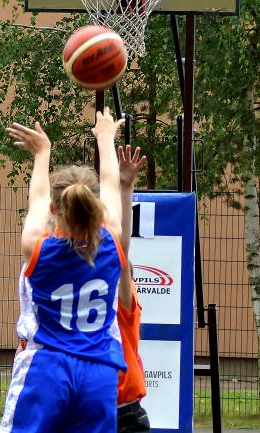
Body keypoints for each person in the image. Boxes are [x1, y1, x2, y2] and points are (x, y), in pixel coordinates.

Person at [0, 107, 126, 433]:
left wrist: (43, 154)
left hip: (49, 365)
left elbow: (38, 197)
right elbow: (111, 181)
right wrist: (105, 137)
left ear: (55, 210)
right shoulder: (113, 241)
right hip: (99, 371)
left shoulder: (39, 249)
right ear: (98, 209)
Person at [116, 145, 151, 433]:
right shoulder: (81, 301)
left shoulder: (123, 306)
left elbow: (122, 250)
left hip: (124, 415)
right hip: (87, 408)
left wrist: (125, 188)